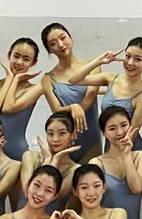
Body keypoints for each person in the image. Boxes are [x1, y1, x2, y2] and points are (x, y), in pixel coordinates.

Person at [61, 37, 142, 152]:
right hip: (109, 147)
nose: (130, 63)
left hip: (130, 150)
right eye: (128, 56)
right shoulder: (111, 78)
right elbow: (73, 80)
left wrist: (114, 156)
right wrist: (99, 61)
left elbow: (132, 134)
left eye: (138, 59)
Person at [40, 22, 102, 163]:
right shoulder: (48, 79)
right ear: (50, 50)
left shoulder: (91, 66)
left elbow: (91, 96)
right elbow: (56, 109)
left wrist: (78, 108)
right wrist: (72, 107)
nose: (61, 44)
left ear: (70, 38)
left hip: (91, 139)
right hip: (62, 141)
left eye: (63, 38)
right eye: (53, 43)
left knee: (91, 175)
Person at [0, 36, 44, 163]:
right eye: (16, 56)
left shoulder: (36, 89)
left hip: (17, 151)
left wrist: (15, 79)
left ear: (33, 62)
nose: (19, 62)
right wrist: (10, 78)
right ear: (9, 55)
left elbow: (8, 108)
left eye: (26, 59)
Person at [20, 112, 82, 215]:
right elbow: (27, 192)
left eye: (62, 133)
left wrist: (54, 161)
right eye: (50, 134)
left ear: (73, 135)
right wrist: (48, 161)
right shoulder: (30, 157)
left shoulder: (74, 170)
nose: (55, 139)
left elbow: (50, 198)